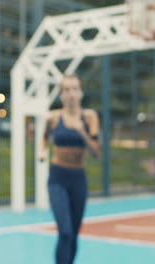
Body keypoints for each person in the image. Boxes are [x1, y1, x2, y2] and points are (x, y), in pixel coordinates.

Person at [38, 75, 101, 264]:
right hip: (58, 178)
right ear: (61, 94)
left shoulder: (90, 117)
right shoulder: (53, 117)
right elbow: (44, 138)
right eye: (66, 90)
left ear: (80, 92)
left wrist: (81, 131)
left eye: (74, 89)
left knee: (73, 234)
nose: (71, 93)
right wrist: (42, 152)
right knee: (64, 231)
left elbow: (97, 152)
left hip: (78, 179)